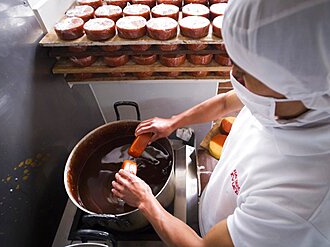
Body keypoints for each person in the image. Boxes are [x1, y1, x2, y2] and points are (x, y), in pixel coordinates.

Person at [112, 0, 330, 246]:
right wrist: (172, 122)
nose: (233, 75)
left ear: (294, 86)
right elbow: (228, 102)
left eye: (242, 72)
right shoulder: (286, 97)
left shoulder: (298, 199)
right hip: (220, 213)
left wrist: (145, 202)